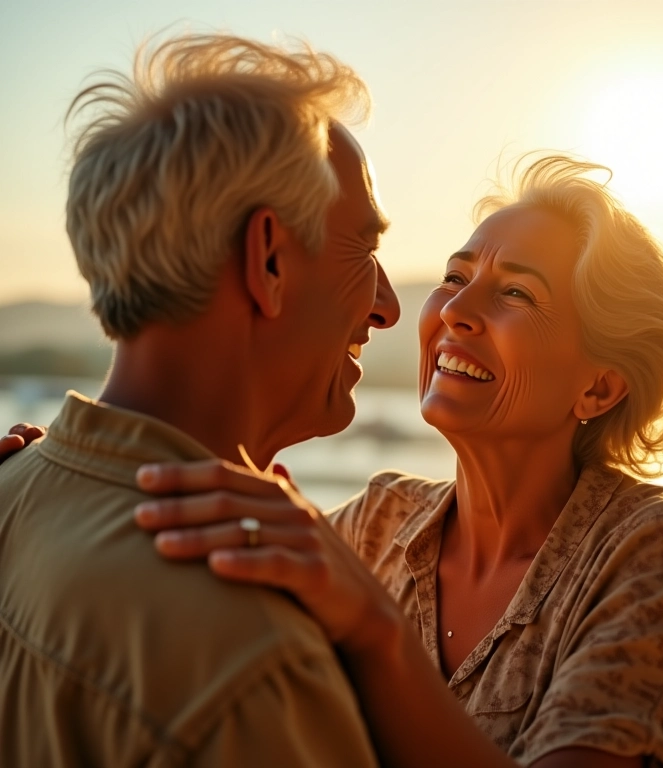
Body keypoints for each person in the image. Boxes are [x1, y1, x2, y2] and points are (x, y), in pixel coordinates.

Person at [120, 156, 663, 767]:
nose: (453, 312)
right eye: (455, 278)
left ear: (599, 389)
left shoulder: (660, 549)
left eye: (517, 293)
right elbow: (171, 598)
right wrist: (52, 481)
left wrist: (376, 634)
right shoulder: (377, 524)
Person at [0, 32, 401, 766]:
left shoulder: (13, 491)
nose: (387, 308)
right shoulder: (253, 660)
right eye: (364, 250)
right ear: (270, 259)